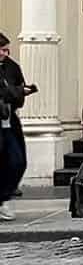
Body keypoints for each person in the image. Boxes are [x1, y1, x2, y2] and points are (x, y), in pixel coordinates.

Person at [0, 33, 36, 220]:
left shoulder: (12, 67)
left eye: (7, 50)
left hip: (8, 121)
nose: (5, 53)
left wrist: (19, 92)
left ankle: (4, 197)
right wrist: (15, 92)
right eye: (2, 49)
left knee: (17, 160)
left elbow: (16, 94)